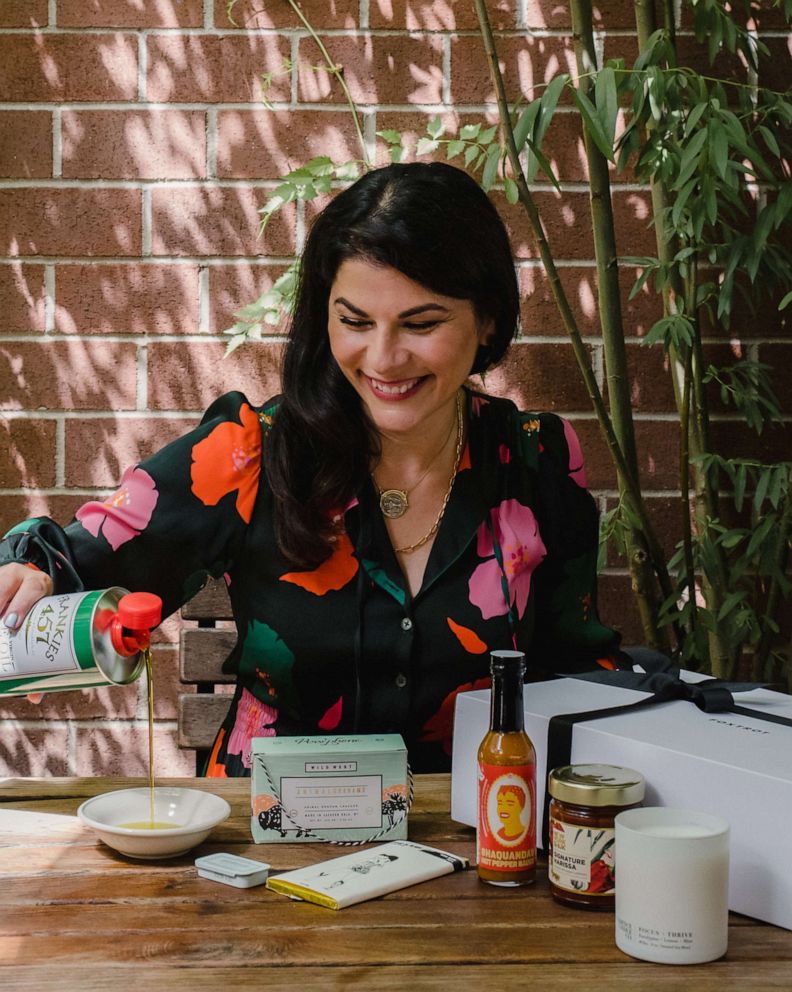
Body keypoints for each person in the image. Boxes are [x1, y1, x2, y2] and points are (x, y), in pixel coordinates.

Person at [0, 162, 621, 776]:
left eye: (421, 323)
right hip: (264, 839)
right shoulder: (253, 450)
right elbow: (80, 560)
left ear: (486, 318)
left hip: (475, 834)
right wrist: (35, 575)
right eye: (354, 321)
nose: (383, 358)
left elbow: (575, 670)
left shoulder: (538, 459)